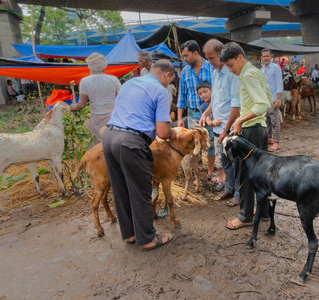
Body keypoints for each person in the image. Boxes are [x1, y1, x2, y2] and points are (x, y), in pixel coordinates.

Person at [102, 59, 177, 250]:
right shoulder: (161, 91)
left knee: (121, 189)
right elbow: (162, 132)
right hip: (131, 143)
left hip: (110, 138)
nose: (168, 83)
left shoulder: (130, 83)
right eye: (170, 80)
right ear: (167, 74)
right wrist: (172, 133)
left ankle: (131, 234)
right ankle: (148, 239)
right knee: (141, 191)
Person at [220, 42, 273, 230]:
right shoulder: (257, 72)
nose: (230, 69)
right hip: (260, 129)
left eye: (230, 65)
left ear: (240, 58)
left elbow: (261, 105)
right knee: (261, 173)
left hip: (251, 130)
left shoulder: (249, 75)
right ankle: (264, 211)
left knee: (245, 173)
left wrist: (240, 121)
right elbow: (269, 99)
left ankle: (244, 216)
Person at [200, 39, 241, 204]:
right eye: (207, 58)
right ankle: (229, 189)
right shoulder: (214, 72)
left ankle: (239, 195)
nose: (209, 62)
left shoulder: (232, 73)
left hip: (230, 128)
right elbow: (215, 99)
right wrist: (206, 113)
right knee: (225, 162)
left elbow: (236, 105)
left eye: (212, 58)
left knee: (236, 163)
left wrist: (227, 127)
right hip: (219, 129)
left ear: (221, 54)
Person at [176, 40, 216, 180]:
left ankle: (210, 171)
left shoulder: (211, 68)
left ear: (195, 53)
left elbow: (217, 92)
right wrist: (180, 118)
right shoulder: (185, 72)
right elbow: (182, 95)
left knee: (210, 142)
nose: (184, 59)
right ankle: (196, 173)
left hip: (211, 112)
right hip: (193, 113)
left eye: (186, 56)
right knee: (194, 144)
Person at [71, 53, 121, 145]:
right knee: (112, 142)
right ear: (104, 66)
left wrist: (72, 107)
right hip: (113, 117)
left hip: (96, 118)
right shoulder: (113, 80)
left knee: (98, 145)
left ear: (90, 67)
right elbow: (121, 100)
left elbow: (82, 105)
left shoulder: (85, 81)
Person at [261, 48, 283, 152]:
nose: (265, 58)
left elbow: (279, 84)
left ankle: (277, 142)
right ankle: (269, 138)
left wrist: (278, 99)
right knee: (266, 120)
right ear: (261, 58)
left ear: (271, 57)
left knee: (275, 121)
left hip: (273, 99)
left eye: (267, 56)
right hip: (264, 99)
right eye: (264, 56)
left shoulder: (275, 68)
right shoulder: (262, 69)